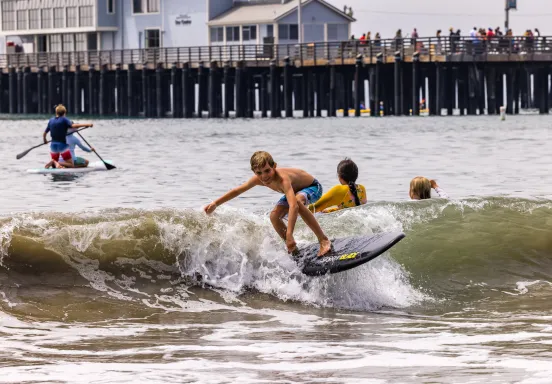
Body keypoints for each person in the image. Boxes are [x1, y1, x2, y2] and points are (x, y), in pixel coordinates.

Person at [203, 151, 332, 256]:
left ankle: (323, 240)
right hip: (295, 191)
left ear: (274, 166)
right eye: (258, 173)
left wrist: (289, 233)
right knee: (274, 216)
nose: (264, 176)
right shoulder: (258, 179)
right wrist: (215, 203)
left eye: (267, 170)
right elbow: (237, 190)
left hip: (313, 187)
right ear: (254, 171)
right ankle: (293, 248)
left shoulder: (283, 179)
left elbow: (294, 206)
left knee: (297, 201)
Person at [43, 105, 93, 169]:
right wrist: (87, 124)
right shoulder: (64, 119)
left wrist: (45, 140)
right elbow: (73, 125)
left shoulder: (51, 120)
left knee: (54, 166)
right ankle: (54, 162)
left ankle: (55, 162)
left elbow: (44, 133)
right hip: (62, 146)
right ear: (64, 113)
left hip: (52, 145)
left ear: (56, 112)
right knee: (71, 165)